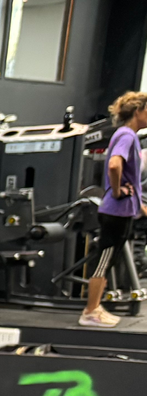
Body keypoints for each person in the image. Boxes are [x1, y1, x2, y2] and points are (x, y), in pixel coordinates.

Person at [82, 91, 147, 327]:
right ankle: (89, 311)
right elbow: (113, 165)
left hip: (124, 211)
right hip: (115, 211)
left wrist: (139, 205)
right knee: (104, 261)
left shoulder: (129, 136)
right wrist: (118, 191)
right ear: (138, 111)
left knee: (108, 260)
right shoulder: (127, 135)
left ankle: (96, 307)